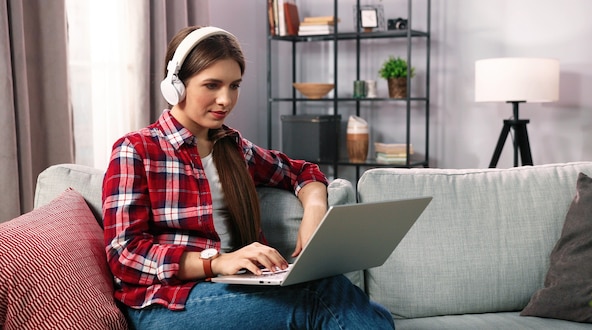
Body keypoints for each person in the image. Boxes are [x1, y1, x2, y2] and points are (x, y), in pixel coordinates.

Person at [102, 25, 394, 329]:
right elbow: (124, 255)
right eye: (212, 85)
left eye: (234, 86)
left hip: (235, 289)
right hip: (166, 304)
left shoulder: (233, 147)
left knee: (364, 309)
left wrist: (315, 213)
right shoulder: (135, 150)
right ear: (175, 85)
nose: (225, 100)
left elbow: (303, 172)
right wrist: (215, 262)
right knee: (328, 298)